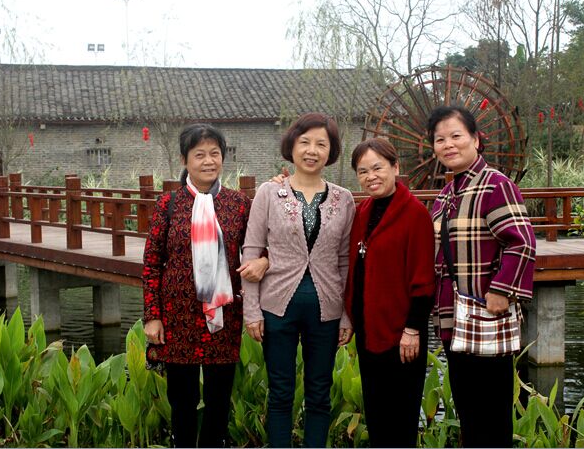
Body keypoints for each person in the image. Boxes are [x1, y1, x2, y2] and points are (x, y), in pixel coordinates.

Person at [142, 123, 268, 448]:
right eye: (199, 155)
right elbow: (152, 264)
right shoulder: (169, 204)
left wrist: (263, 262)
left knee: (218, 400)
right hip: (178, 316)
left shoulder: (239, 204)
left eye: (215, 153)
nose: (208, 161)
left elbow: (260, 249)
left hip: (223, 316)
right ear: (184, 160)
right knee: (181, 399)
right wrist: (152, 316)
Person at [241, 112, 355, 448]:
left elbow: (345, 260)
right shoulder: (268, 193)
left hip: (327, 309)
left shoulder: (343, 198)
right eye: (305, 142)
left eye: (321, 144)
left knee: (319, 393)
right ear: (291, 146)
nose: (312, 150)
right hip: (277, 306)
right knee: (280, 392)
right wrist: (252, 311)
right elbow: (251, 250)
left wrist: (347, 315)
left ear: (331, 151)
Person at [428, 105, 536, 448]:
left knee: (492, 414)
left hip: (485, 316)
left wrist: (501, 290)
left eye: (456, 136)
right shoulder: (446, 195)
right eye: (440, 139)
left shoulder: (495, 185)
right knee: (469, 412)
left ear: (476, 139)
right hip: (454, 318)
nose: (448, 144)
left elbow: (521, 242)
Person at [343, 137, 436, 447]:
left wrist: (412, 329)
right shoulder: (363, 211)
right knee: (377, 414)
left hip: (402, 335)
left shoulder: (414, 214)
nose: (371, 177)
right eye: (363, 171)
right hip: (369, 331)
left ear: (396, 168)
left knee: (401, 416)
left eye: (378, 168)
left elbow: (423, 280)